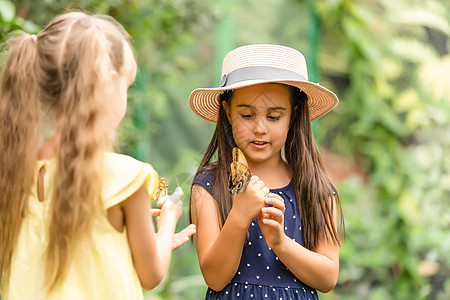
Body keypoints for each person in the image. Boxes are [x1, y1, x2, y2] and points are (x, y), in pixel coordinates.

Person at [0, 11, 195, 299]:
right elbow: (151, 274)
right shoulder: (126, 178)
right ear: (107, 85)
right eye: (126, 86)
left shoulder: (12, 171)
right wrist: (168, 220)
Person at [189, 44, 345, 299]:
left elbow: (327, 277)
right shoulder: (209, 185)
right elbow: (215, 278)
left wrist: (280, 243)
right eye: (247, 115)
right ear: (228, 112)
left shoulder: (315, 189)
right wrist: (239, 216)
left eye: (273, 117)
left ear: (293, 116)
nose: (260, 128)